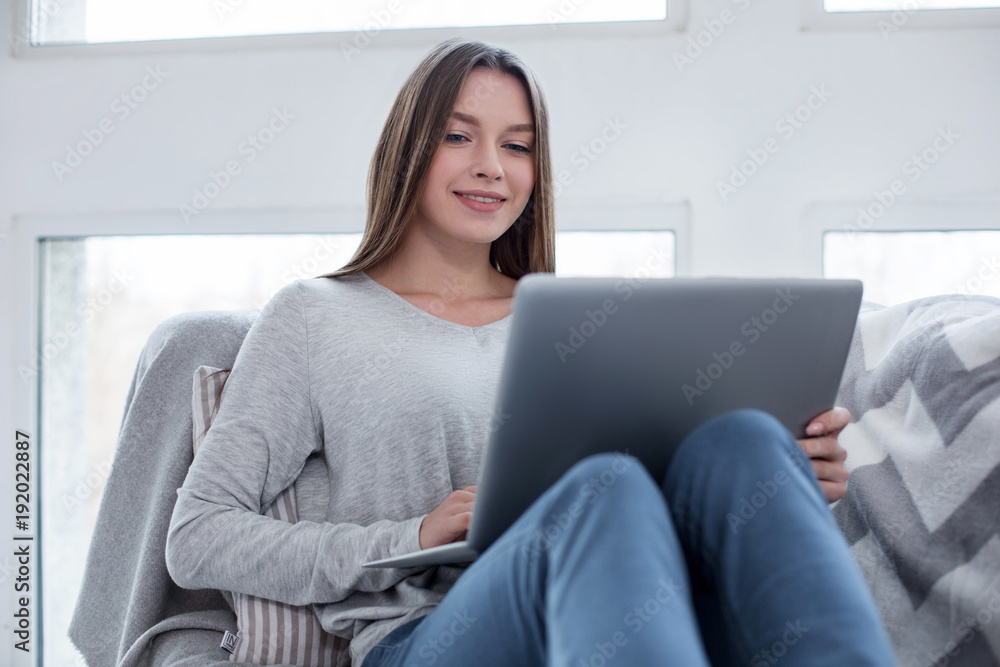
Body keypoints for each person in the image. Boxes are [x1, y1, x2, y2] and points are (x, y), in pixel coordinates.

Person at [166, 38, 895, 666]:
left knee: (746, 439)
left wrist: (787, 477)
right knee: (599, 488)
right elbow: (198, 535)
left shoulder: (573, 319)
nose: (491, 166)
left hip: (626, 611)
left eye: (516, 146)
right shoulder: (314, 317)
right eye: (459, 136)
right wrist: (408, 535)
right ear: (408, 150)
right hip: (423, 638)